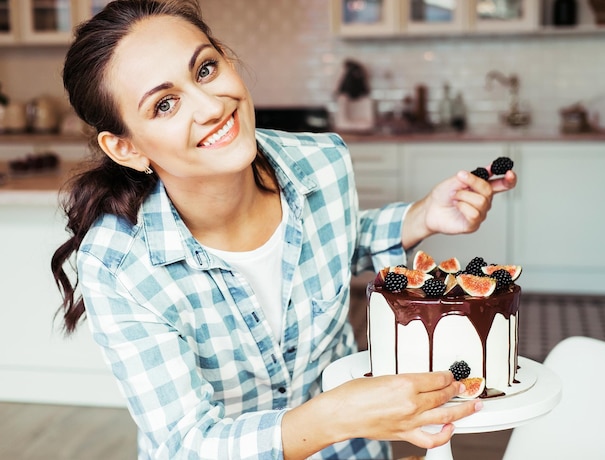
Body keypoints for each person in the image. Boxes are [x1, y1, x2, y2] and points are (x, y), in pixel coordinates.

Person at [51, 1, 517, 459]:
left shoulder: (321, 162)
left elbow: (332, 244)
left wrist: (422, 216)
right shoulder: (119, 265)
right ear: (126, 148)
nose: (211, 107)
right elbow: (187, 442)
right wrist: (335, 417)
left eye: (206, 70)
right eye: (165, 104)